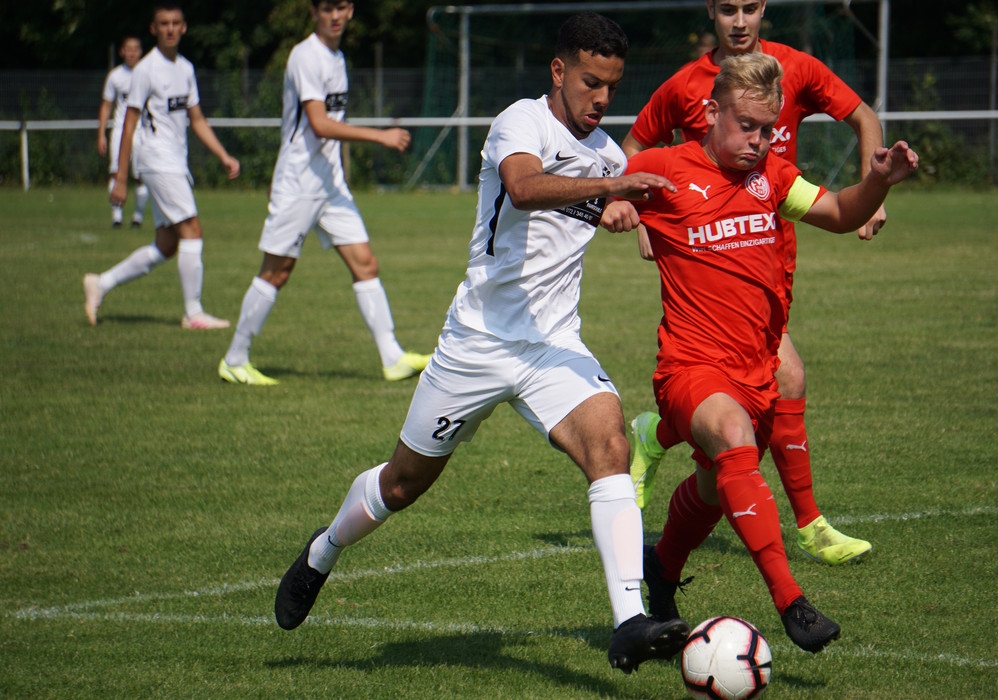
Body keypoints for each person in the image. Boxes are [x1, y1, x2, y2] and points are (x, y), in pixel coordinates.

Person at [273, 12, 690, 674]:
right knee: (402, 485)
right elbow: (523, 189)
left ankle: (629, 622)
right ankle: (323, 551)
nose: (602, 98)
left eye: (612, 86)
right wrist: (610, 189)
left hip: (552, 345)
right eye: (590, 82)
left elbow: (629, 208)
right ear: (559, 71)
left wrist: (632, 215)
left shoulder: (610, 155)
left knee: (609, 445)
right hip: (477, 342)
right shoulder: (520, 122)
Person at [615, 52, 917, 653]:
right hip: (689, 368)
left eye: (767, 129)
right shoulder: (663, 168)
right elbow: (599, 179)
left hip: (754, 372)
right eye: (746, 125)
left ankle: (662, 571)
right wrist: (615, 202)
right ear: (711, 113)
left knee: (712, 489)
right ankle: (791, 601)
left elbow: (840, 212)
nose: (758, 140)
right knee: (732, 438)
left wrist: (879, 181)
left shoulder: (773, 177)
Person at [623, 0, 881, 566]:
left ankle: (657, 437)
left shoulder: (796, 69)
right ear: (710, 12)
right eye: (727, 9)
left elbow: (864, 117)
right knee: (784, 377)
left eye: (750, 8)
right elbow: (633, 150)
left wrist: (873, 187)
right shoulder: (685, 84)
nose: (739, 21)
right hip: (713, 266)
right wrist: (641, 214)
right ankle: (810, 526)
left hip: (773, 257)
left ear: (764, 9)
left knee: (749, 405)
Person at [218, 0, 429, 385]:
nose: (336, 16)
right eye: (328, 8)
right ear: (314, 12)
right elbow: (318, 123)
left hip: (330, 184)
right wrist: (379, 136)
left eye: (342, 7)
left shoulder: (338, 58)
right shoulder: (305, 56)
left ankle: (393, 358)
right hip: (299, 183)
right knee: (276, 272)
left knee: (365, 263)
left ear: (351, 11)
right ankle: (235, 358)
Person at [84, 3, 240, 329]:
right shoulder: (146, 69)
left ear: (184, 27)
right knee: (192, 229)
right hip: (156, 159)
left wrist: (223, 155)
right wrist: (121, 177)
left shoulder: (186, 69)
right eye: (163, 24)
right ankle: (193, 313)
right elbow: (128, 124)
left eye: (175, 23)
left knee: (167, 245)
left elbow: (197, 119)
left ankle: (101, 283)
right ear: (153, 29)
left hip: (175, 161)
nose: (170, 29)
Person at [97, 35, 150, 229]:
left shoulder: (148, 74)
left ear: (141, 51)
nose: (132, 53)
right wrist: (101, 133)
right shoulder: (115, 76)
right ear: (122, 51)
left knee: (140, 175)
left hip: (142, 131)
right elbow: (106, 105)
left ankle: (137, 218)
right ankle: (117, 217)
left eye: (136, 49)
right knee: (116, 172)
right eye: (129, 49)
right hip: (120, 130)